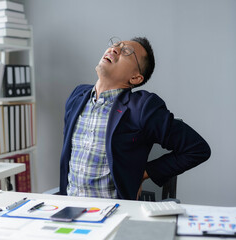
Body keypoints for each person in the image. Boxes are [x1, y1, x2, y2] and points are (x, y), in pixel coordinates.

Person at [59, 36, 211, 200]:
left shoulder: (142, 108)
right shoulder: (77, 96)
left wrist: (144, 173)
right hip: (70, 208)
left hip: (113, 214)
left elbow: (197, 148)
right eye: (115, 45)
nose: (114, 49)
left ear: (135, 78)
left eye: (126, 52)